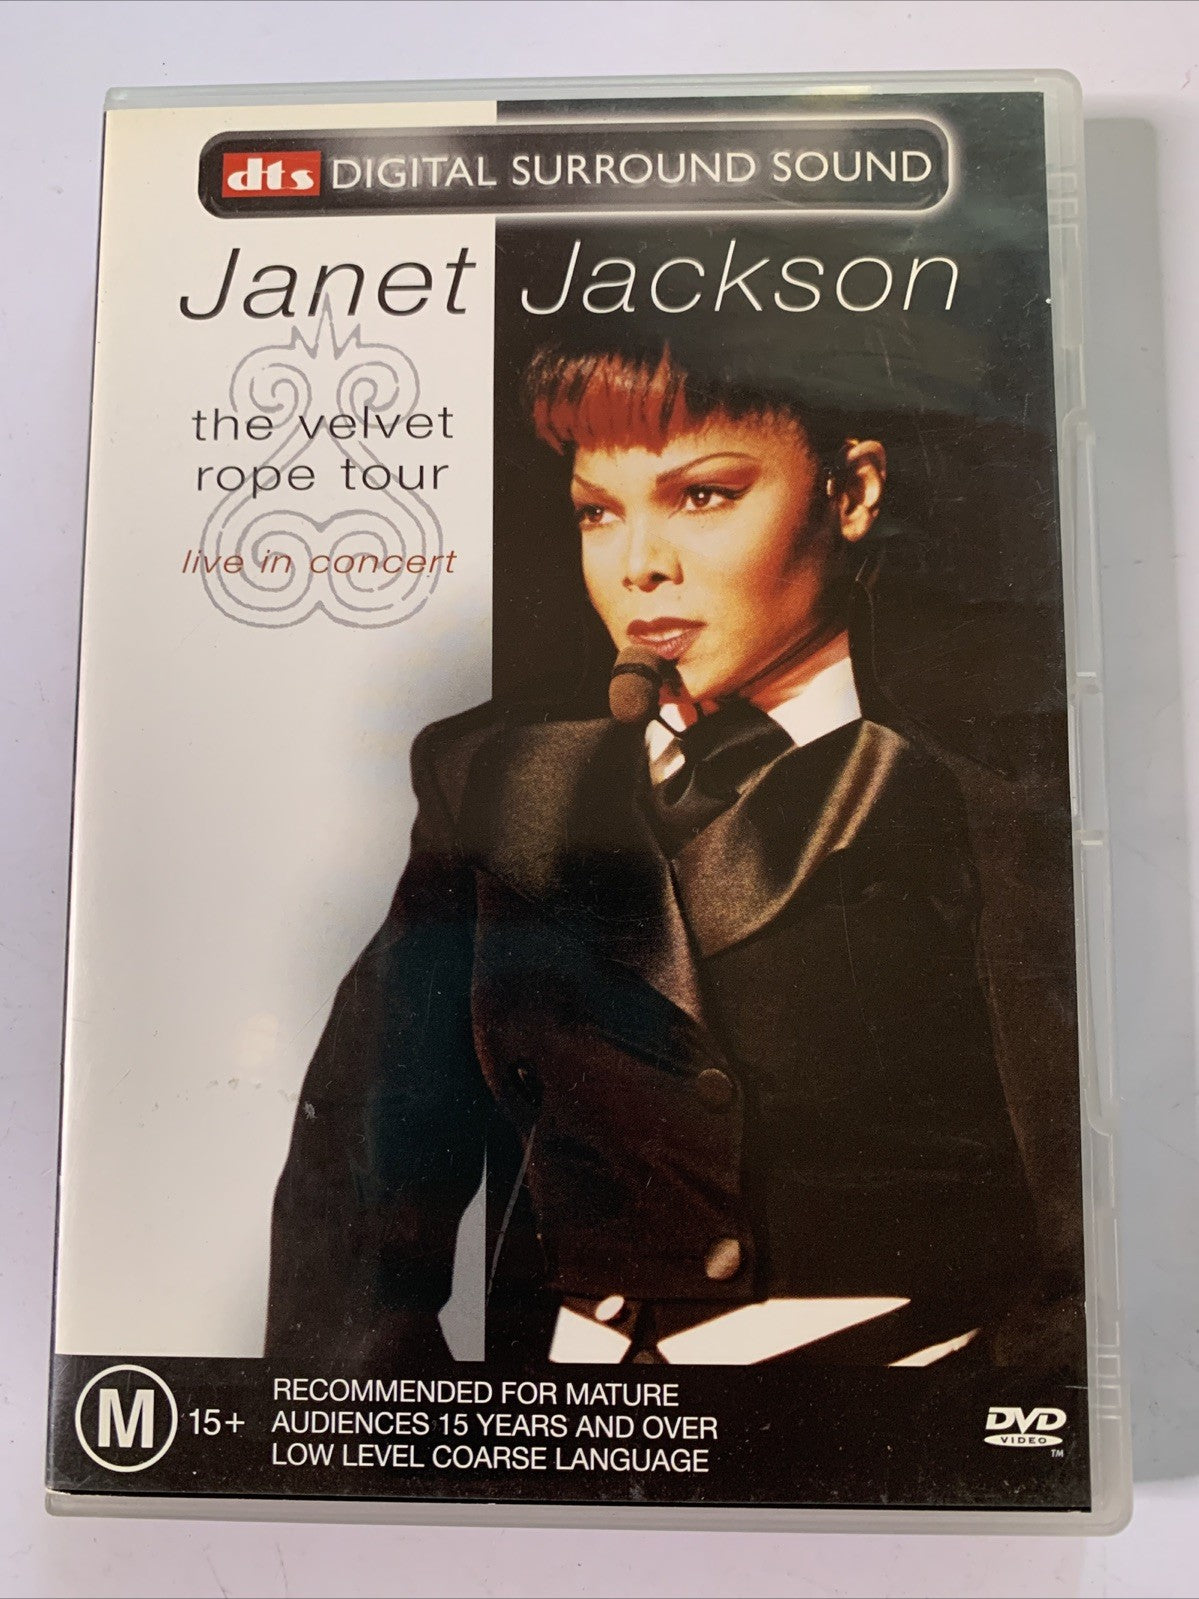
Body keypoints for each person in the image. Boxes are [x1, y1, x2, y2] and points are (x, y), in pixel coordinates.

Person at [266, 339, 1039, 1371]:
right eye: (598, 512)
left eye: (703, 497)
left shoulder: (993, 795)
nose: (639, 564)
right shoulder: (494, 779)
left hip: (886, 1418)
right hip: (569, 1425)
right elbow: (360, 1168)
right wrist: (392, 1430)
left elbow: (1099, 1235)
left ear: (851, 493)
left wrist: (946, 1425)